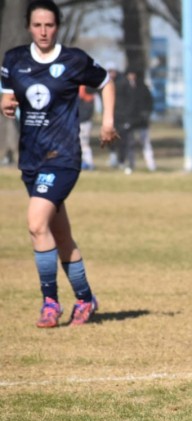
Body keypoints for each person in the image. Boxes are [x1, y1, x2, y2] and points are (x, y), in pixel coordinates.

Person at [1, 0, 117, 328]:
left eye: (49, 25)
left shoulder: (73, 60)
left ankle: (50, 302)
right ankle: (85, 299)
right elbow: (7, 92)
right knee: (60, 235)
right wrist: (5, 103)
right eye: (37, 25)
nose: (43, 31)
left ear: (58, 26)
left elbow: (106, 81)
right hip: (31, 159)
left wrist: (107, 121)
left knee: (37, 224)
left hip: (63, 157)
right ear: (28, 26)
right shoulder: (14, 60)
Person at [116, 69, 156, 174]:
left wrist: (146, 113)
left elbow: (149, 102)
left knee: (145, 142)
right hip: (129, 119)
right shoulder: (122, 87)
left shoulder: (142, 87)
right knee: (129, 143)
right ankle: (130, 164)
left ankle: (151, 165)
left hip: (141, 121)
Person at [77, 85, 95, 170]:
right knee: (81, 144)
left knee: (84, 144)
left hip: (84, 122)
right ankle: (84, 162)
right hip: (82, 121)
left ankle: (89, 163)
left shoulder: (86, 92)